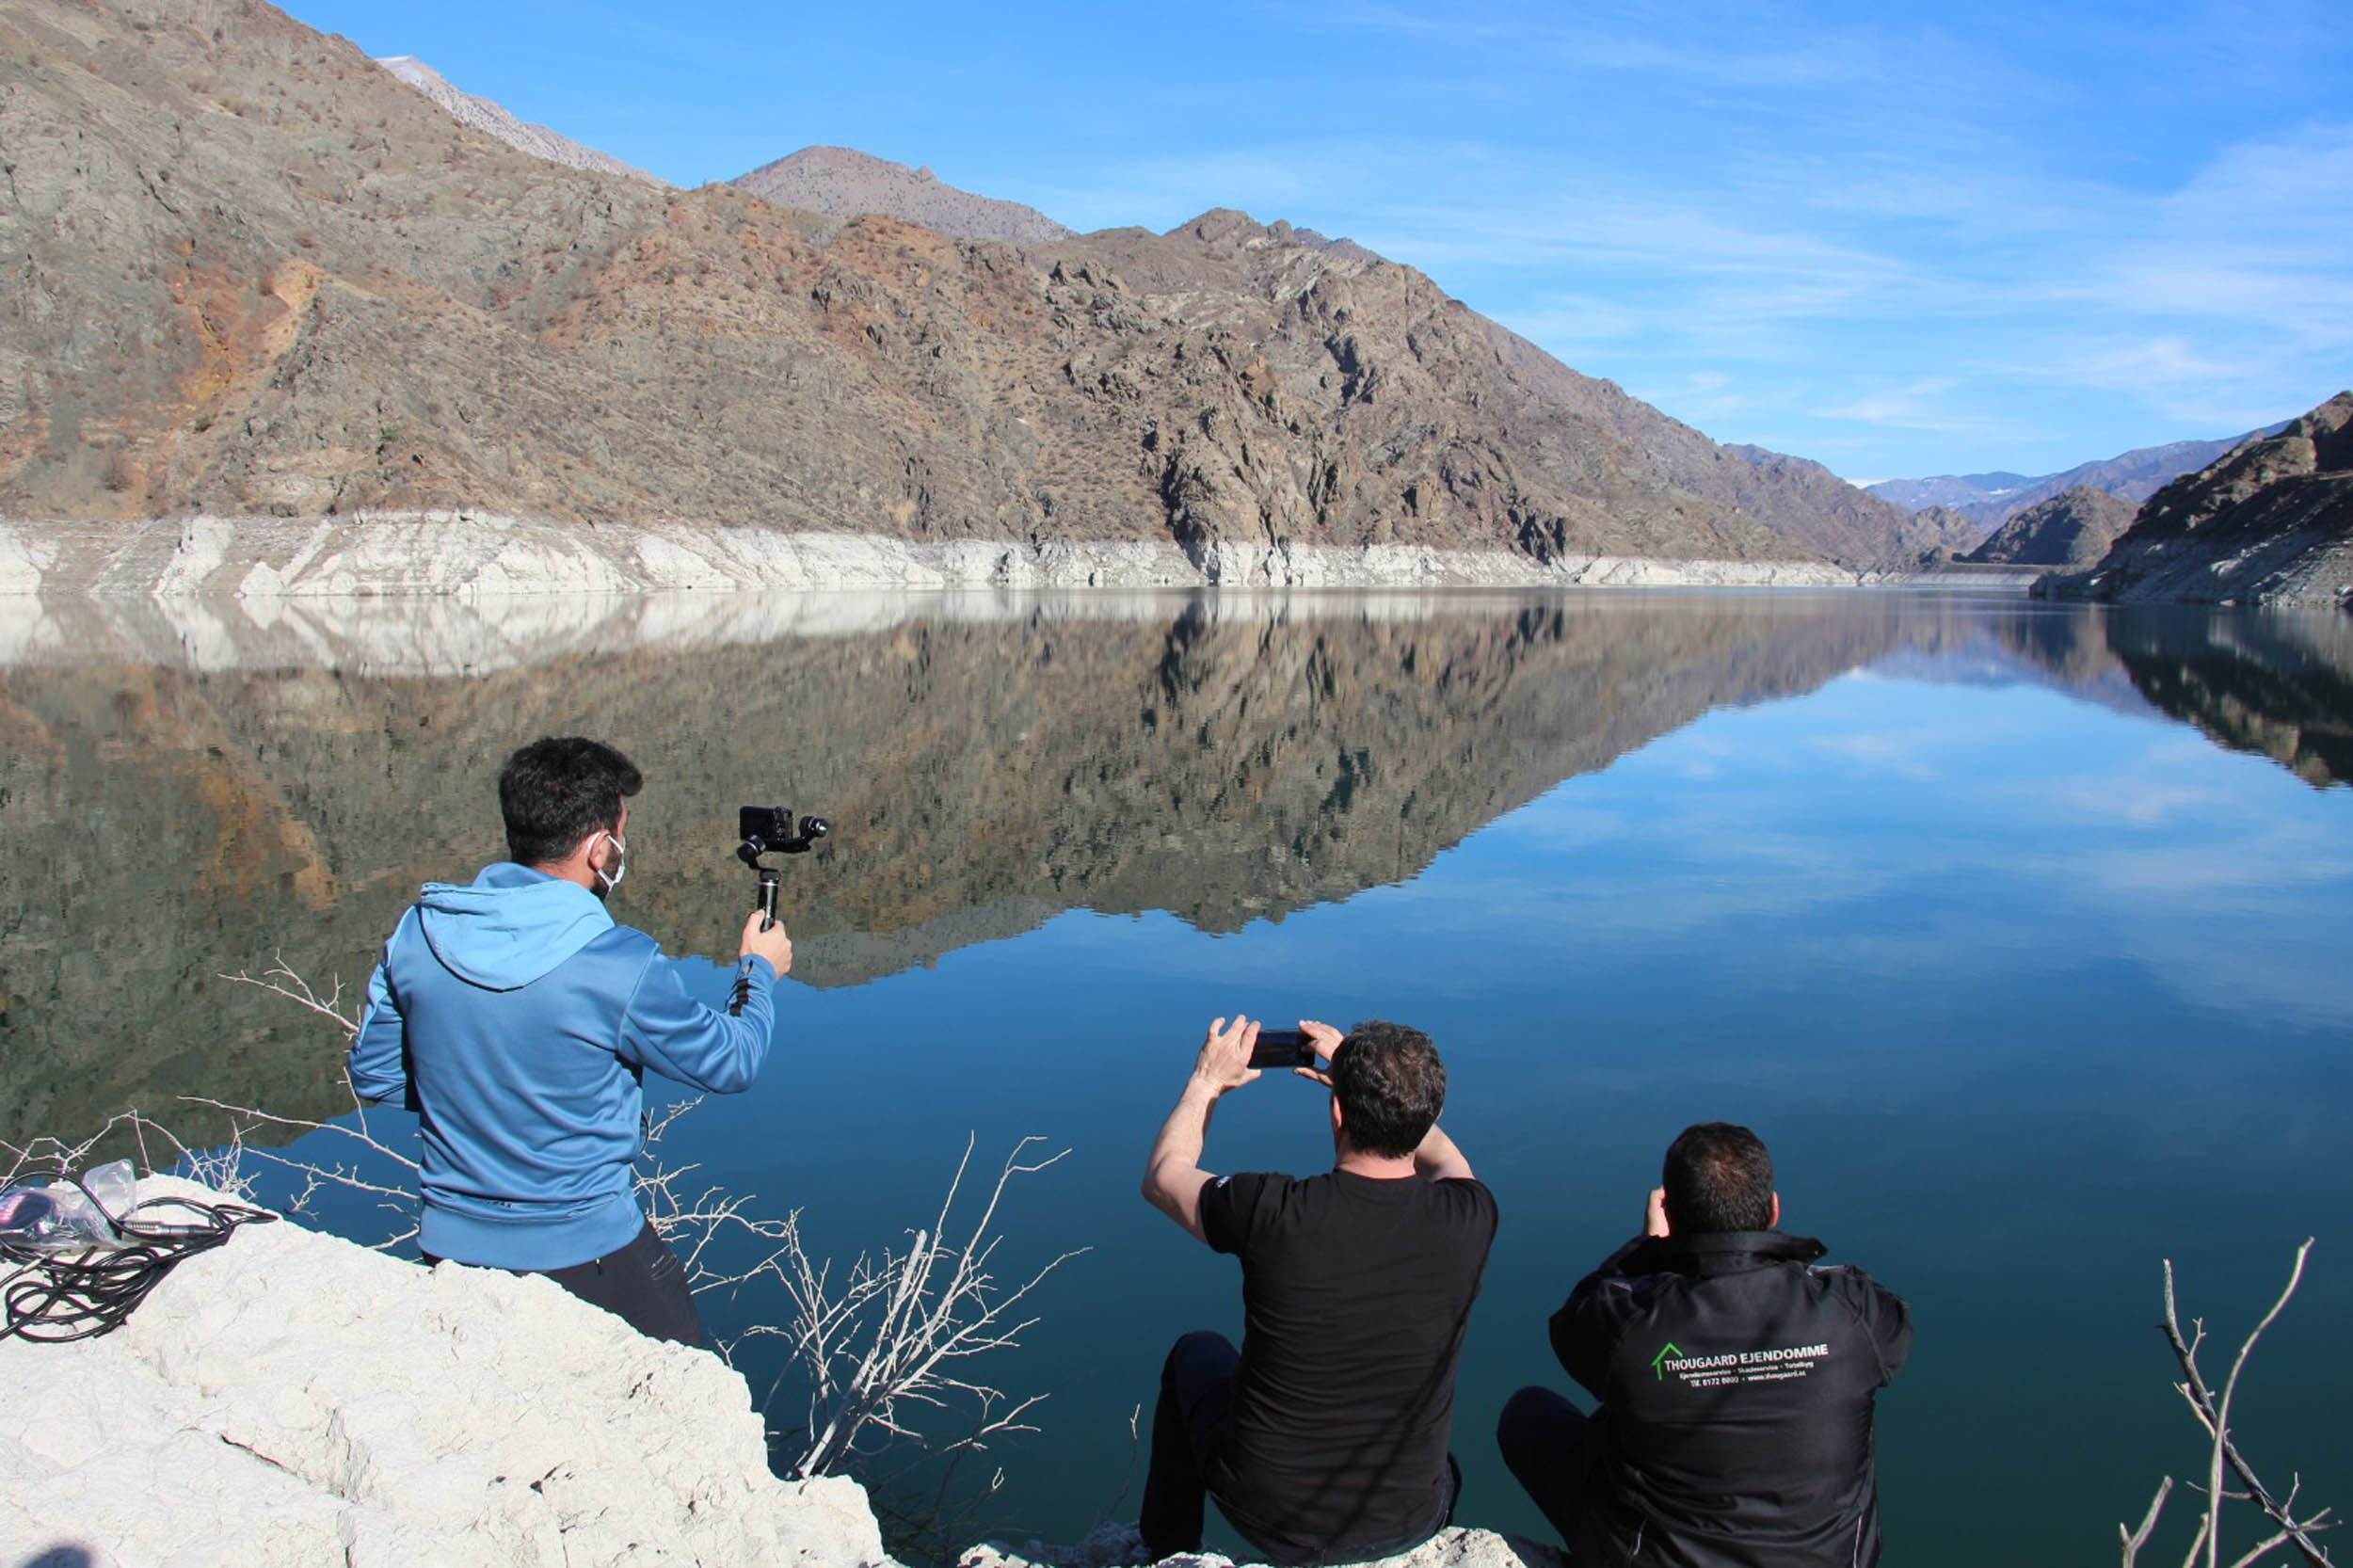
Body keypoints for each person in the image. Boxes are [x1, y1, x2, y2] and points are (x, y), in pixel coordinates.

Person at [348, 735, 792, 1347]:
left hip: (451, 1250)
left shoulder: (418, 933)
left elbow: (376, 1075)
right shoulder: (618, 963)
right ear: (599, 849)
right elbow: (732, 1060)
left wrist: (483, 1089)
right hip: (592, 1252)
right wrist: (758, 970)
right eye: (620, 837)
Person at [1137, 1015, 1497, 1566]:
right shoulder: (1472, 1216)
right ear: (1432, 1115)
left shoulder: (1273, 1210)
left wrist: (1206, 1082)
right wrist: (1380, 1089)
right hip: (1410, 1519)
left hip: (1268, 1513)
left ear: (1337, 1113)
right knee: (1445, 1465)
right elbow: (1447, 1161)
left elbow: (1164, 1176)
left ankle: (1169, 1548)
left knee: (1196, 1352)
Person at [1497, 1122, 1913, 1566]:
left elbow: (1571, 1324)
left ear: (1671, 1218)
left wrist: (1646, 1250)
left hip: (1656, 1558)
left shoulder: (1631, 1321)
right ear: (1773, 1211)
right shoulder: (1850, 1312)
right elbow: (1897, 1327)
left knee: (1529, 1413)